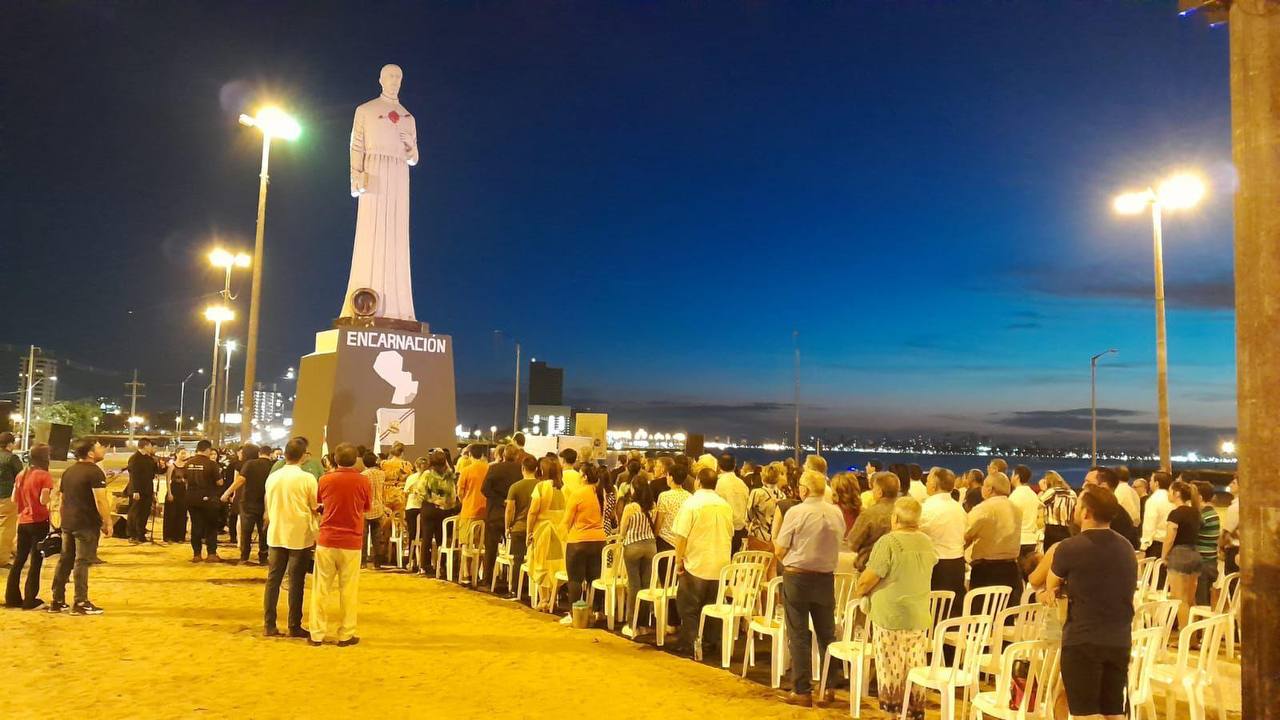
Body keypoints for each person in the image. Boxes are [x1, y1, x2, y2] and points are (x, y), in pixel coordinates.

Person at [1045, 486, 1136, 720]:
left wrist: (1061, 589)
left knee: (1086, 713)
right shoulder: (1126, 547)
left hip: (1083, 639)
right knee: (1113, 711)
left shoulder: (1070, 547)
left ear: (1086, 513)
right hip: (1119, 639)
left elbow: (1051, 584)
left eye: (1078, 506)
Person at [853, 497, 938, 718]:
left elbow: (867, 579)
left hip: (890, 615)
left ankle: (892, 714)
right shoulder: (927, 542)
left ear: (895, 518)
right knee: (914, 667)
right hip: (918, 614)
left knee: (890, 670)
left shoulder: (889, 542)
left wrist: (859, 590)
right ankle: (913, 712)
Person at [774, 470, 846, 707]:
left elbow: (780, 548)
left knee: (799, 634)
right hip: (825, 577)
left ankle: (802, 690)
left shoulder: (797, 512)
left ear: (803, 490)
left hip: (798, 577)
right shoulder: (835, 512)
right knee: (827, 635)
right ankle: (827, 688)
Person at [310, 443, 371, 646]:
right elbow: (366, 507)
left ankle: (316, 633)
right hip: (352, 541)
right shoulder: (363, 481)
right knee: (348, 590)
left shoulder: (325, 479)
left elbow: (320, 502)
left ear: (335, 459)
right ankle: (346, 634)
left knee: (321, 588)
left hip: (327, 539)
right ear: (356, 460)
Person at [672, 467, 733, 657]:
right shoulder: (725, 505)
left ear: (697, 481)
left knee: (688, 605)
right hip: (720, 564)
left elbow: (681, 536)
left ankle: (691, 642)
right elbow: (730, 532)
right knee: (712, 605)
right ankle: (710, 643)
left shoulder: (691, 504)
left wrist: (679, 560)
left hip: (697, 563)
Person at [48, 440, 111, 615]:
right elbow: (100, 500)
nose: (102, 450)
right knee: (81, 561)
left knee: (65, 560)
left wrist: (61, 520)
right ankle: (80, 602)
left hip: (68, 522)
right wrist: (108, 522)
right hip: (86, 523)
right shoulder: (95, 472)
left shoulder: (69, 471)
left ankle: (57, 600)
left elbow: (62, 498)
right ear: (90, 453)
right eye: (99, 447)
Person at [263, 438, 318, 638]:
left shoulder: (273, 477)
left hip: (276, 532)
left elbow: (268, 504)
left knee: (273, 580)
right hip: (300, 534)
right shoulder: (307, 479)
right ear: (304, 456)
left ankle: (269, 624)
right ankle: (294, 624)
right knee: (296, 581)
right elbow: (314, 506)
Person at [6, 444, 53, 609]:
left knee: (19, 560)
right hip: (39, 521)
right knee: (36, 560)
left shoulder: (21, 474)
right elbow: (43, 500)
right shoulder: (44, 475)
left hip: (23, 521)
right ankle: (30, 599)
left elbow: (13, 498)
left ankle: (11, 597)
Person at [559, 464, 609, 624]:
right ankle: (596, 611)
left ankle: (575, 615)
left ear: (585, 477)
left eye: (580, 475)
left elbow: (567, 521)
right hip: (599, 541)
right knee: (595, 579)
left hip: (578, 541)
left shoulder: (578, 494)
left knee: (575, 579)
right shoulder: (601, 493)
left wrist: (560, 536)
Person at [964, 471, 1023, 598]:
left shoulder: (984, 509)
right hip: (1011, 569)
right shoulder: (1016, 509)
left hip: (987, 572)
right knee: (1006, 615)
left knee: (982, 615)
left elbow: (966, 534)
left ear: (989, 489)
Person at [919, 466, 965, 614]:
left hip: (936, 565)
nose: (926, 484)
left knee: (933, 612)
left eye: (927, 481)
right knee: (953, 611)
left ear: (933, 485)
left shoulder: (927, 508)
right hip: (957, 564)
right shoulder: (958, 508)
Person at [618, 479, 658, 639]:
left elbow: (623, 529)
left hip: (633, 546)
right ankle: (642, 624)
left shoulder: (630, 507)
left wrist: (621, 540)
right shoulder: (653, 507)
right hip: (650, 547)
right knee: (646, 585)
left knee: (634, 585)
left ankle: (631, 624)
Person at [526, 456, 566, 611]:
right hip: (560, 532)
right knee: (555, 566)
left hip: (543, 531)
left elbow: (532, 512)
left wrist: (529, 532)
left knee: (541, 565)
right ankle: (553, 599)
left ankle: (543, 600)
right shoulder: (564, 487)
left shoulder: (541, 487)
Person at [1162, 480, 1203, 631]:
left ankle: (1184, 639)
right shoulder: (1195, 512)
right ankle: (1194, 638)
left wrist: (1164, 555)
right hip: (1194, 554)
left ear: (1176, 493)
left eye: (1170, 490)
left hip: (1179, 555)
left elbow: (1170, 537)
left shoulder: (1176, 513)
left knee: (1180, 600)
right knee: (1191, 600)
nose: (1168, 493)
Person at [221, 444, 272, 565]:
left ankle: (244, 557)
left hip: (248, 502)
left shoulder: (250, 464)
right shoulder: (273, 466)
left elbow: (240, 480)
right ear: (269, 454)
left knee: (246, 531)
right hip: (266, 504)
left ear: (259, 453)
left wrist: (227, 493)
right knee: (263, 531)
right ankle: (263, 557)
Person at [481, 444, 522, 590]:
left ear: (503, 455)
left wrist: (499, 501)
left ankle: (487, 580)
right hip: (514, 515)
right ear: (517, 456)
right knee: (512, 550)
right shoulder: (520, 470)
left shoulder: (494, 468)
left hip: (494, 513)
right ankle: (511, 582)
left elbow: (484, 489)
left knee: (491, 549)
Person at [845, 470, 899, 570]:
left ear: (880, 492)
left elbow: (852, 543)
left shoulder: (869, 514)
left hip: (870, 567)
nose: (872, 491)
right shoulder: (904, 512)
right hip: (897, 567)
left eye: (873, 488)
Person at [503, 455, 539, 599]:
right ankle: (531, 590)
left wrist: (507, 527)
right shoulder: (541, 486)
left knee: (518, 559)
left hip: (519, 528)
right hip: (536, 529)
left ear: (522, 469)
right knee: (534, 560)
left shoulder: (515, 487)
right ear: (536, 469)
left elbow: (510, 510)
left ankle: (516, 590)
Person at [184, 440, 225, 562]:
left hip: (191, 498)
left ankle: (196, 554)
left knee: (196, 525)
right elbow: (219, 482)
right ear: (207, 450)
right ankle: (211, 553)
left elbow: (185, 480)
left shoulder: (189, 463)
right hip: (208, 499)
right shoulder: (212, 464)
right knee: (211, 526)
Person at [418, 450, 458, 574]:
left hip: (429, 508)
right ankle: (442, 565)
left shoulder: (427, 474)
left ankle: (425, 566)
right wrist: (446, 504)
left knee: (427, 538)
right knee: (442, 539)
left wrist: (433, 500)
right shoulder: (449, 475)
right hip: (444, 510)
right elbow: (453, 495)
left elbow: (420, 491)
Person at [454, 444, 488, 584]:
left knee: (466, 544)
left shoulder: (466, 470)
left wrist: (465, 501)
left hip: (469, 511)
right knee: (480, 546)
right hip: (485, 511)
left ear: (470, 455)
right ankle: (477, 573)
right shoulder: (488, 468)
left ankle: (466, 574)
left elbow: (460, 492)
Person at [1092, 467, 1140, 549]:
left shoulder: (1118, 492)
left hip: (1121, 533)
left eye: (1088, 482)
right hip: (1133, 532)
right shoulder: (1133, 491)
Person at [653, 464, 693, 553]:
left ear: (671, 478)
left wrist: (654, 537)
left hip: (664, 541)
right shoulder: (690, 496)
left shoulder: (664, 496)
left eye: (667, 476)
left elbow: (659, 521)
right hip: (682, 542)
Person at [359, 451, 388, 569]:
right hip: (379, 507)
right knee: (377, 536)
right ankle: (378, 562)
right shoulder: (382, 474)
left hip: (365, 509)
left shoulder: (362, 475)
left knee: (363, 536)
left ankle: (363, 562)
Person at [1193, 481, 1220, 607]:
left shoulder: (1202, 516)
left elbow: (1191, 534)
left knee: (1201, 599)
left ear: (1200, 497)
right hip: (1212, 560)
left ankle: (1201, 625)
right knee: (1206, 598)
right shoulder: (1213, 513)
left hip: (1203, 561)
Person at [125, 438, 158, 543]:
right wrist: (135, 490)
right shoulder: (135, 458)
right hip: (137, 490)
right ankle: (132, 534)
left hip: (147, 490)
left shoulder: (149, 458)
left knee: (145, 513)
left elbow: (155, 471)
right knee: (134, 513)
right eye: (150, 446)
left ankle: (141, 534)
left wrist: (162, 466)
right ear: (145, 446)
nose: (152, 448)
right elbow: (134, 475)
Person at [714, 453, 749, 552]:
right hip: (739, 532)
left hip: (723, 532)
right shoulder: (742, 484)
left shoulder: (717, 483)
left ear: (719, 466)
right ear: (734, 466)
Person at [746, 462, 785, 549]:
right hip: (776, 538)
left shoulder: (757, 493)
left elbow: (749, 515)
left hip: (758, 536)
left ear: (763, 478)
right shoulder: (782, 496)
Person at [402, 457, 430, 570]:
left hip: (411, 508)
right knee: (425, 537)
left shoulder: (411, 478)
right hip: (424, 508)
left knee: (412, 536)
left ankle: (411, 561)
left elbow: (405, 492)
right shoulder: (430, 478)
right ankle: (424, 562)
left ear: (416, 466)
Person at [1009, 464, 1041, 560]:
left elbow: (1010, 519)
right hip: (1031, 539)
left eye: (1012, 474)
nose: (1011, 477)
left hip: (1019, 540)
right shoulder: (1033, 495)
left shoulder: (1015, 496)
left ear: (1017, 477)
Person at [0, 432, 23, 567]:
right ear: (10, 444)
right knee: (6, 528)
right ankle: (2, 559)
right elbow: (20, 477)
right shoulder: (11, 458)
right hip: (6, 497)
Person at [1140, 470, 1174, 559]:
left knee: (1155, 572)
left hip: (1156, 545)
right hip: (1172, 543)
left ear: (1156, 483)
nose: (1149, 483)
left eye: (1151, 480)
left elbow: (1149, 525)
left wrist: (1143, 547)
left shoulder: (1153, 500)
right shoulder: (1173, 499)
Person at [1039, 471, 1077, 549]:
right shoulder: (1072, 493)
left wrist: (1043, 490)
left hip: (1051, 529)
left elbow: (1038, 504)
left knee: (1050, 554)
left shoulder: (1052, 492)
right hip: (1067, 529)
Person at [163, 449, 189, 542]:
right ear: (177, 454)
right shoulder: (172, 466)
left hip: (183, 491)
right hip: (174, 489)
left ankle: (180, 536)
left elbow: (187, 480)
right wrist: (169, 493)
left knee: (182, 514)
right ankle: (169, 536)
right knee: (171, 514)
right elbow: (168, 480)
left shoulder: (187, 466)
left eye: (185, 453)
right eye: (182, 453)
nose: (184, 455)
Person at [1220, 476, 1239, 575]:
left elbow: (1226, 533)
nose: (1230, 485)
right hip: (1238, 548)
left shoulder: (1235, 507)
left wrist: (1221, 547)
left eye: (1234, 483)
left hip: (1234, 549)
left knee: (1231, 583)